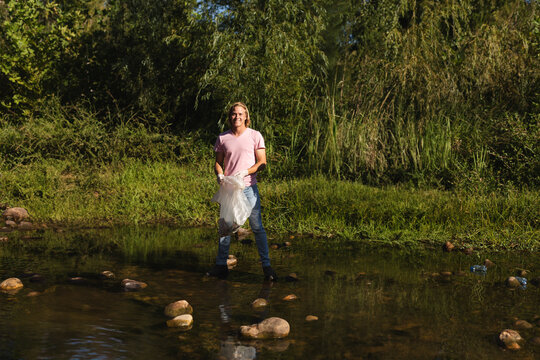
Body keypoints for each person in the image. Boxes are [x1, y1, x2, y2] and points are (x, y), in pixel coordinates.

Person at [206, 102, 277, 281]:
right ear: (229, 117)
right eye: (233, 114)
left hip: (248, 188)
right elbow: (218, 162)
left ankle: (267, 267)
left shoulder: (255, 135)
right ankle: (221, 266)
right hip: (230, 189)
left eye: (240, 114)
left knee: (257, 227)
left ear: (246, 116)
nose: (237, 117)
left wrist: (246, 171)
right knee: (225, 227)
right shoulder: (223, 138)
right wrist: (220, 175)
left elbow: (262, 162)